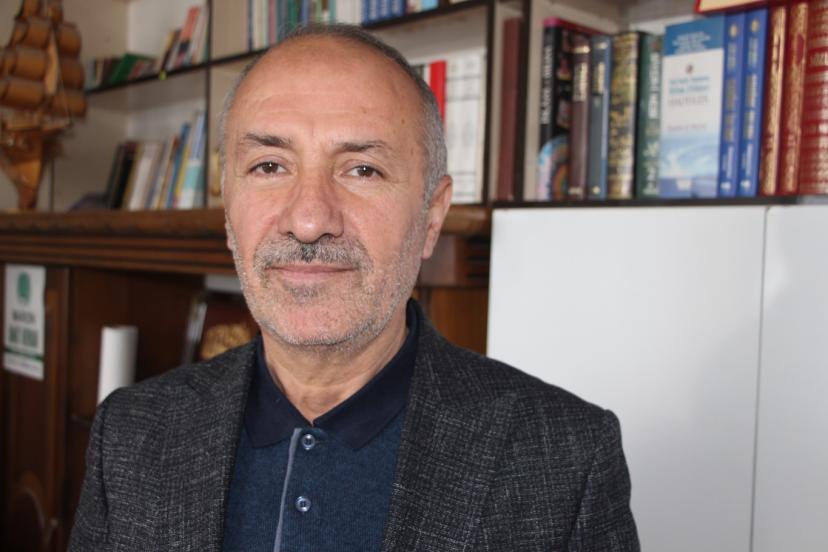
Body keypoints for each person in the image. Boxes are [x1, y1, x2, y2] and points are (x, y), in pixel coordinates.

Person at [69, 25, 639, 551]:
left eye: (362, 169)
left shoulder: (564, 460)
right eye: (269, 166)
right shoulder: (130, 433)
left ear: (432, 216)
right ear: (227, 209)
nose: (308, 220)